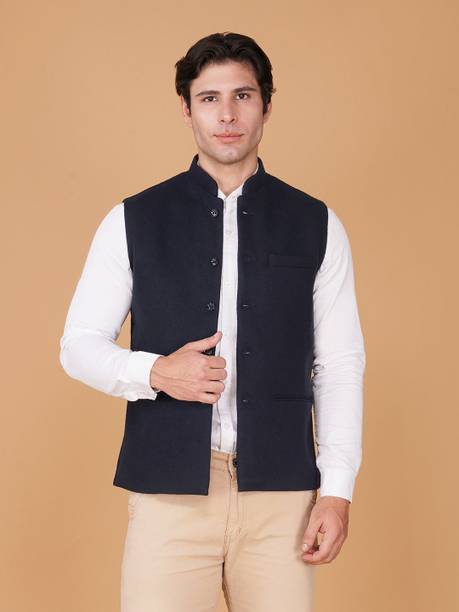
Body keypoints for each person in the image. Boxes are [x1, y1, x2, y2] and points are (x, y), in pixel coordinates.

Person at [59, 31, 366, 612]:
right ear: (187, 109)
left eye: (243, 96)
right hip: (169, 498)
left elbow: (340, 365)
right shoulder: (132, 219)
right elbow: (77, 346)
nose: (227, 115)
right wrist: (156, 372)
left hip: (282, 499)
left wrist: (336, 490)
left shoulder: (316, 223)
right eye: (209, 98)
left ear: (266, 105)